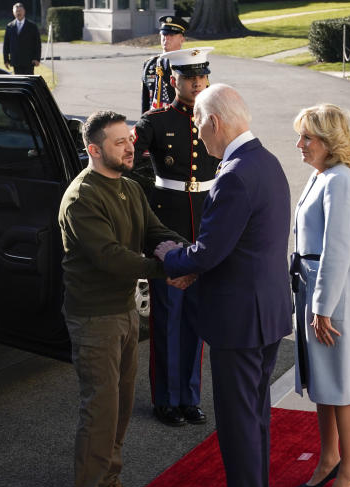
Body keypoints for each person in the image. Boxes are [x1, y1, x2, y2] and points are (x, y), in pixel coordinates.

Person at [156, 84, 292, 487]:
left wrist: (171, 258)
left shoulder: (234, 172)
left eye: (197, 124)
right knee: (254, 418)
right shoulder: (266, 160)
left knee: (239, 422)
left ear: (214, 122)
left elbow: (210, 251)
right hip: (264, 313)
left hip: (240, 320)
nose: (196, 134)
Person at [59, 110, 191, 487]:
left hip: (123, 312)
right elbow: (112, 259)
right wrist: (166, 271)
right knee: (100, 410)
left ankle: (109, 483)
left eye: (129, 139)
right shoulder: (82, 198)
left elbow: (154, 231)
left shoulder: (130, 188)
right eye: (119, 143)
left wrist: (188, 252)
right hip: (94, 316)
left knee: (119, 407)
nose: (130, 147)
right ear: (94, 150)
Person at [290, 104, 350, 487]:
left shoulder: (340, 181)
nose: (300, 144)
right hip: (314, 285)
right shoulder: (321, 175)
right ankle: (328, 458)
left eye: (308, 137)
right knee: (323, 382)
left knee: (341, 385)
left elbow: (337, 249)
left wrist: (322, 307)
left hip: (333, 290)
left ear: (328, 141)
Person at [133, 47, 218, 427]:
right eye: (188, 78)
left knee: (196, 319)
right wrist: (145, 220)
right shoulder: (155, 121)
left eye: (201, 77)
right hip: (167, 231)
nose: (196, 83)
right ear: (174, 82)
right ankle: (165, 399)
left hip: (206, 228)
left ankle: (189, 397)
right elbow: (130, 166)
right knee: (167, 318)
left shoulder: (215, 119)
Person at [140, 15, 186, 114]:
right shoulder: (150, 64)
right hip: (155, 121)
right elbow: (146, 99)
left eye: (171, 35)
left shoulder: (189, 63)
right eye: (164, 34)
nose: (166, 38)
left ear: (182, 39)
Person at [3, 3, 40, 75]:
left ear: (24, 11)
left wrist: (37, 58)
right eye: (16, 11)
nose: (18, 13)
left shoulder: (32, 26)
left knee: (29, 82)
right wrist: (6, 60)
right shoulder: (9, 26)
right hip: (15, 61)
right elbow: (6, 45)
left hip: (29, 61)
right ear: (13, 13)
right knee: (18, 83)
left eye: (20, 11)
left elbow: (37, 43)